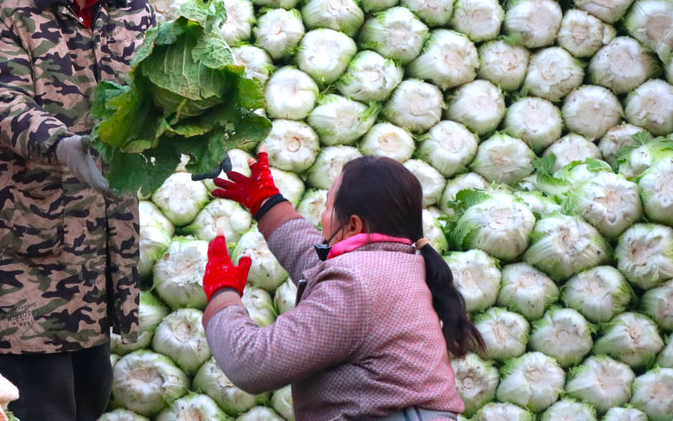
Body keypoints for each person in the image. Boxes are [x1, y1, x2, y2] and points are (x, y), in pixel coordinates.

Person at [0, 0, 156, 421]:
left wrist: (202, 126)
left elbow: (158, 89)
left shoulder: (131, 6)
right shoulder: (3, 8)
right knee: (41, 405)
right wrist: (63, 145)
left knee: (91, 396)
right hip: (26, 251)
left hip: (103, 247)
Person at [202, 152, 484, 421]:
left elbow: (252, 363)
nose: (322, 217)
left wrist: (221, 294)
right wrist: (267, 203)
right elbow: (312, 260)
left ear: (352, 226)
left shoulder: (357, 284)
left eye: (327, 207)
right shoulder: (395, 266)